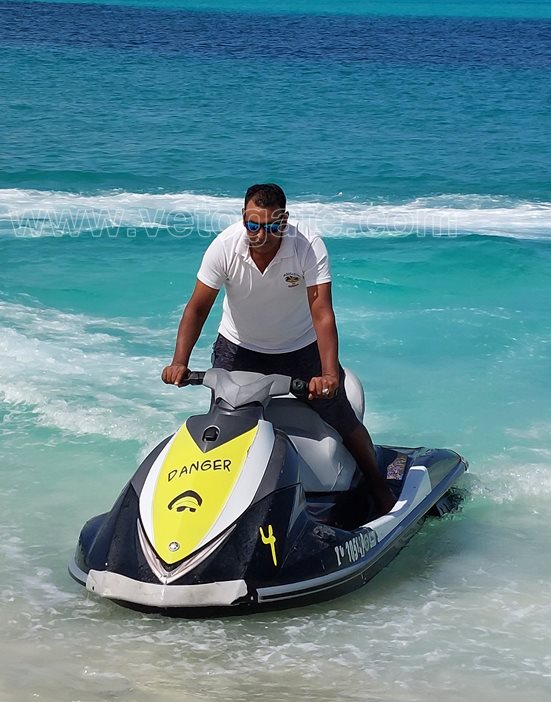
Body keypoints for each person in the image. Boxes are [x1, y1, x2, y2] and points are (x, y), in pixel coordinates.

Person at [161, 183, 396, 516]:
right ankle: (217, 504)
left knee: (340, 414)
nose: (261, 235)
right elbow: (197, 308)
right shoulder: (224, 247)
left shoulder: (307, 246)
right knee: (226, 426)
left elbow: (322, 312)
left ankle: (378, 487)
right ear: (243, 218)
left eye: (271, 226)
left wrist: (329, 374)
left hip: (299, 349)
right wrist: (179, 362)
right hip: (238, 349)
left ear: (284, 221)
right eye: (253, 225)